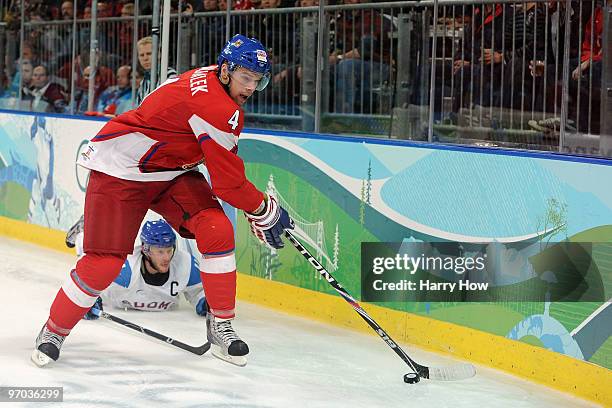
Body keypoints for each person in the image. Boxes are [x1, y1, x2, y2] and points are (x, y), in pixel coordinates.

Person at [32, 34, 294, 368]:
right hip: (122, 172)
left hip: (169, 172)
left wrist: (258, 209)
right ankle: (54, 331)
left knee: (216, 229)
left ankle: (221, 326)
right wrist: (265, 208)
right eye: (246, 78)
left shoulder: (214, 75)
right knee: (104, 264)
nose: (251, 88)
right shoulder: (217, 107)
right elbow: (229, 185)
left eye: (257, 81)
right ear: (226, 71)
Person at [66, 217, 206, 317]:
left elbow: (198, 292)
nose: (167, 257)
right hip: (113, 298)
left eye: (169, 250)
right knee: (89, 251)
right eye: (160, 252)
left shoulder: (185, 263)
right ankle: (83, 232)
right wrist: (87, 299)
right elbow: (83, 273)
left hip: (160, 317)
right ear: (146, 250)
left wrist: (204, 303)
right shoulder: (125, 271)